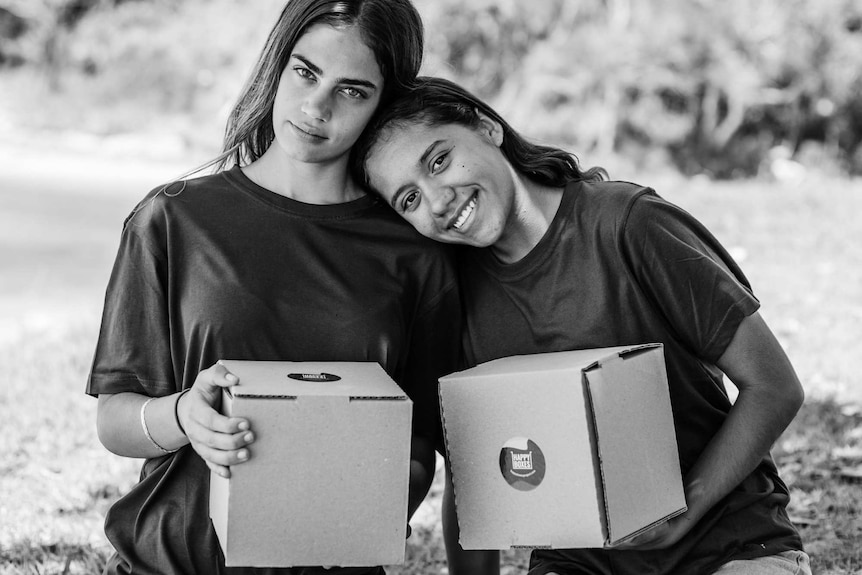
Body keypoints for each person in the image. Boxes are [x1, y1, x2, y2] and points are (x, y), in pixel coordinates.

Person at [352, 77, 810, 575]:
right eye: (409, 200)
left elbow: (774, 386)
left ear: (486, 128)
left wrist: (684, 512)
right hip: (578, 562)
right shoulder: (453, 299)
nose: (437, 200)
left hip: (727, 546)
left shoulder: (628, 225)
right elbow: (475, 478)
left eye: (439, 161)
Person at [86, 3, 461, 574]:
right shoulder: (173, 220)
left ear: (383, 104)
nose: (316, 107)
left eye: (353, 91)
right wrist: (186, 416)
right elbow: (115, 419)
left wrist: (357, 499)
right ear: (278, 63)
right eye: (305, 72)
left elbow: (425, 444)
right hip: (174, 563)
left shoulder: (413, 253)